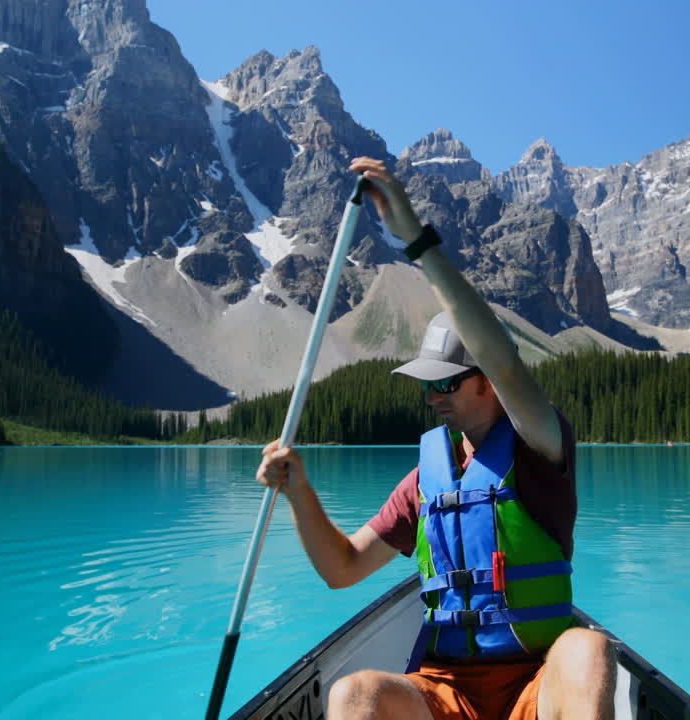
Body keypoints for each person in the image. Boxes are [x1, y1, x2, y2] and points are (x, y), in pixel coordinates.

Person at [257, 157, 616, 720]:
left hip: (535, 683)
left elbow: (499, 353)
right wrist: (299, 491)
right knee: (353, 695)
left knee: (589, 648)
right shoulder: (429, 479)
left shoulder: (541, 447)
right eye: (429, 384)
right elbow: (341, 568)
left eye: (447, 381)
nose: (433, 396)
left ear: (490, 384)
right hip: (445, 690)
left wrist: (416, 241)